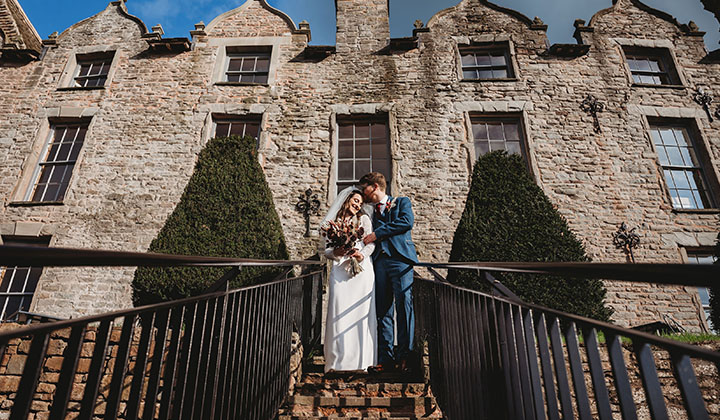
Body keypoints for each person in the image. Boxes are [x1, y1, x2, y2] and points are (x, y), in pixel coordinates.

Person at [358, 172, 418, 374]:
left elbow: (406, 222)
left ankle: (405, 358)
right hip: (379, 263)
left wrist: (377, 234)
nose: (361, 192)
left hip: (400, 261)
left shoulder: (401, 202)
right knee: (383, 311)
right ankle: (386, 359)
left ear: (374, 187)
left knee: (404, 307)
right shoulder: (368, 212)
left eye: (364, 188)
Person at [320, 187, 377, 373]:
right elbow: (326, 250)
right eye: (355, 200)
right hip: (340, 269)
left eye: (360, 202)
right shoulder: (333, 222)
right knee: (338, 311)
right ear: (347, 199)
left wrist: (361, 254)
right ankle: (338, 361)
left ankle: (362, 362)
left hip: (361, 271)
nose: (358, 204)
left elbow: (371, 244)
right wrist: (336, 252)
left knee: (360, 314)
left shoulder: (364, 220)